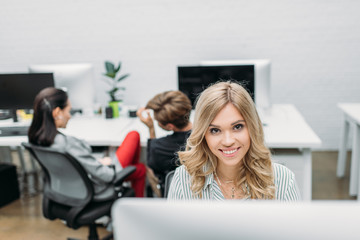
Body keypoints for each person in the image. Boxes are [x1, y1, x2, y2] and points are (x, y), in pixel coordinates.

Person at [167, 81, 300, 201]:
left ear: (252, 128)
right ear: (203, 135)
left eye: (237, 127)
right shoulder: (184, 179)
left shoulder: (282, 179)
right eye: (215, 130)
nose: (228, 141)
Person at [28, 87, 146, 198]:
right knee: (135, 142)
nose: (69, 116)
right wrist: (105, 165)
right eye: (68, 111)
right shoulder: (66, 143)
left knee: (136, 166)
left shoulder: (36, 138)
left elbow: (71, 164)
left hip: (64, 190)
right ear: (57, 112)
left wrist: (95, 161)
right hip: (93, 189)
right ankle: (135, 209)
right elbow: (106, 175)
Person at [137, 90, 192, 196]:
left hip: (174, 194)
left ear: (170, 126)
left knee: (149, 169)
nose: (157, 122)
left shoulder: (158, 147)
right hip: (205, 196)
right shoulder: (208, 137)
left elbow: (153, 164)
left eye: (157, 121)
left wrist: (151, 128)